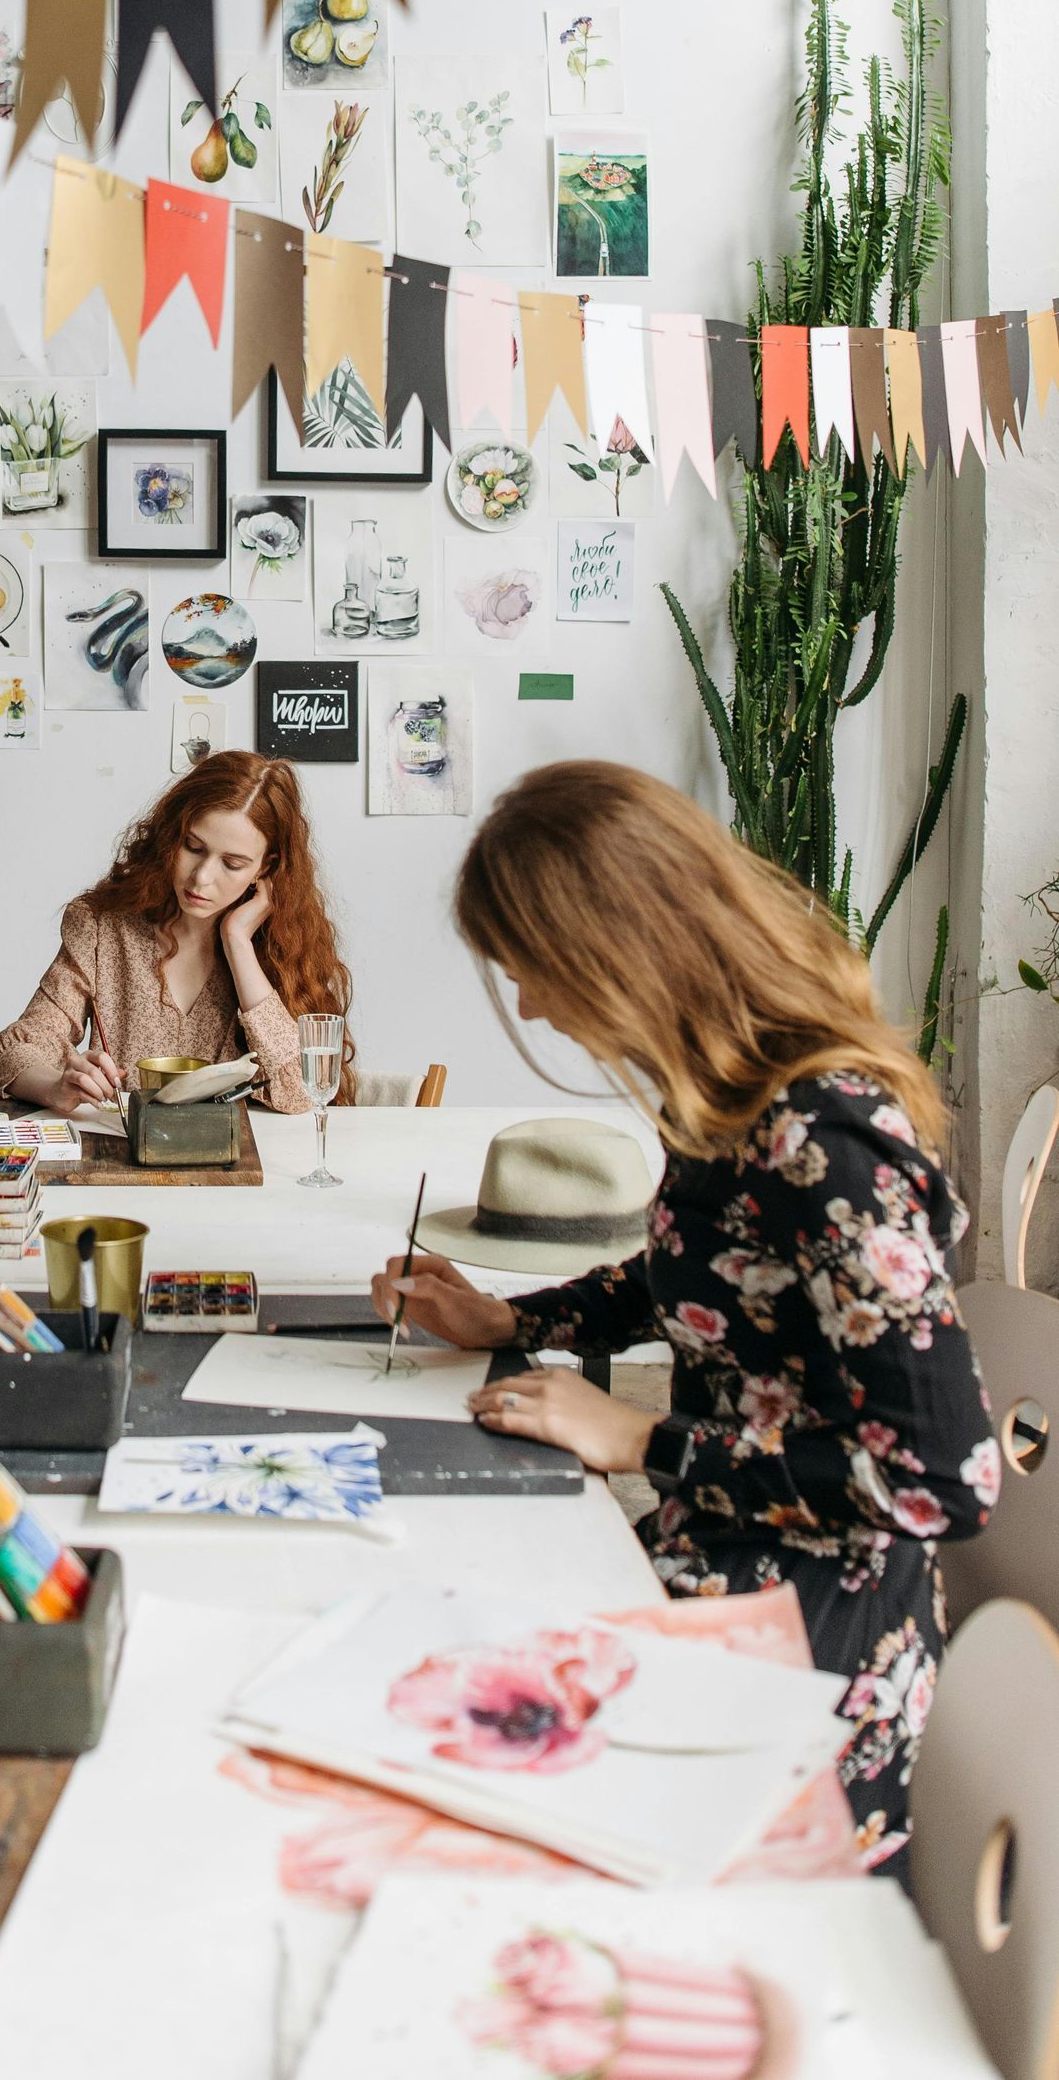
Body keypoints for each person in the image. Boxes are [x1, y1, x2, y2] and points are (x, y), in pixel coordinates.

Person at [373, 761, 995, 1879]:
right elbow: (703, 1278)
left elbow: (943, 1479)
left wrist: (639, 1438)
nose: (529, 1004)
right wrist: (502, 1318)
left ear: (613, 948)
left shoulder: (827, 1141)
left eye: (532, 970)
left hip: (808, 1645)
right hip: (723, 1560)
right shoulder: (731, 1095)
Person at [0, 750, 351, 1115]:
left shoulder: (278, 945)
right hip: (125, 1161)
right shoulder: (101, 927)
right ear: (171, 835)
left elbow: (302, 1094)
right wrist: (56, 1086)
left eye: (232, 864)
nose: (202, 878)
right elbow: (10, 1052)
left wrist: (237, 942)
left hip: (237, 1167)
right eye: (193, 847)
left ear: (263, 869)